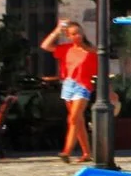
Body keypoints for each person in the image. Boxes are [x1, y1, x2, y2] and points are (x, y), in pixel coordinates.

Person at [40, 18, 98, 164]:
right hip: (68, 85)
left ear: (82, 33)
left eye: (78, 33)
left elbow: (99, 70)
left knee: (73, 118)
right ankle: (87, 153)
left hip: (83, 85)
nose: (76, 36)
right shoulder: (66, 49)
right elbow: (45, 45)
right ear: (69, 36)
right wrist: (58, 30)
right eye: (72, 34)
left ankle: (67, 151)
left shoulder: (91, 51)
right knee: (77, 120)